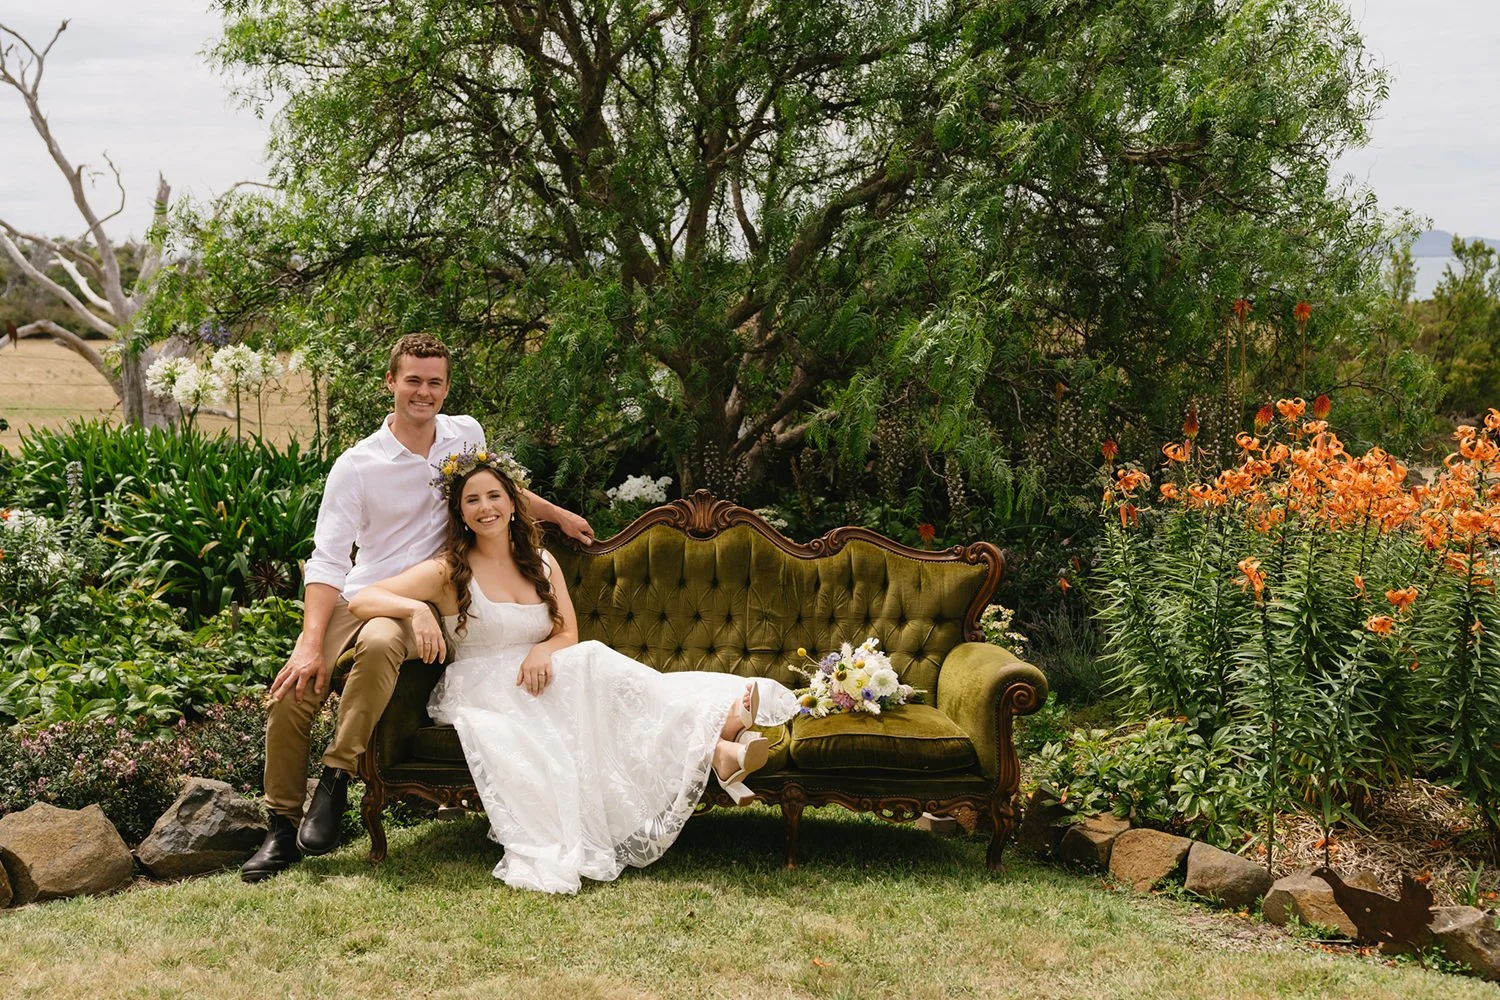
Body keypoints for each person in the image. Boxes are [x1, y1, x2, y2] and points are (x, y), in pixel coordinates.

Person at [346, 450, 797, 893]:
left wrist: (544, 650)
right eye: (472, 500)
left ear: (513, 502)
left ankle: (721, 749)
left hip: (543, 671)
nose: (486, 508)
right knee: (590, 664)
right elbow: (362, 598)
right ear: (460, 512)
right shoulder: (448, 569)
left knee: (588, 662)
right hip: (482, 685)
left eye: (494, 496)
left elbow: (567, 634)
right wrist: (416, 611)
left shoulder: (540, 561)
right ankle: (722, 735)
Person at [241, 333, 595, 883]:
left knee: (383, 641)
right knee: (296, 686)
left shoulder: (464, 434)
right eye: (413, 381)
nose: (423, 392)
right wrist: (311, 642)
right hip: (366, 594)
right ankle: (282, 826)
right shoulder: (357, 466)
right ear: (391, 383)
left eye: (434, 382)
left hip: (428, 594)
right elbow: (329, 561)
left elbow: (493, 489)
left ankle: (336, 778)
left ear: (446, 387)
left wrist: (558, 514)